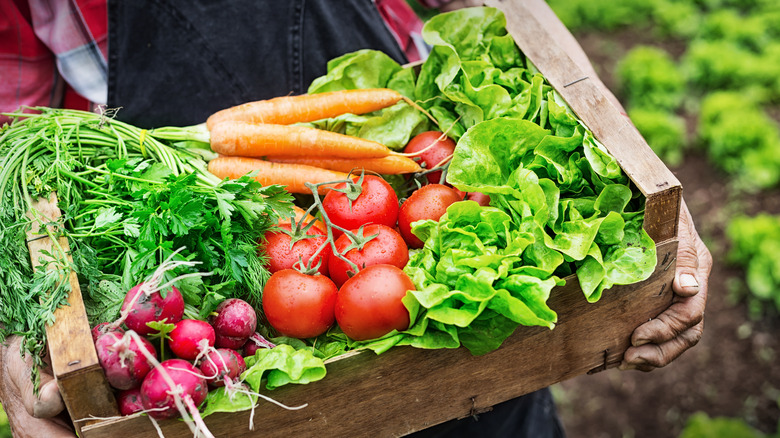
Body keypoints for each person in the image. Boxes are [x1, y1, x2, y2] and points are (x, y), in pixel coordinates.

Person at [0, 1, 713, 437]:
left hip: (410, 165)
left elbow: (502, 10)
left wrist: (633, 163)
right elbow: (12, 139)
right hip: (170, 230)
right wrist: (17, 336)